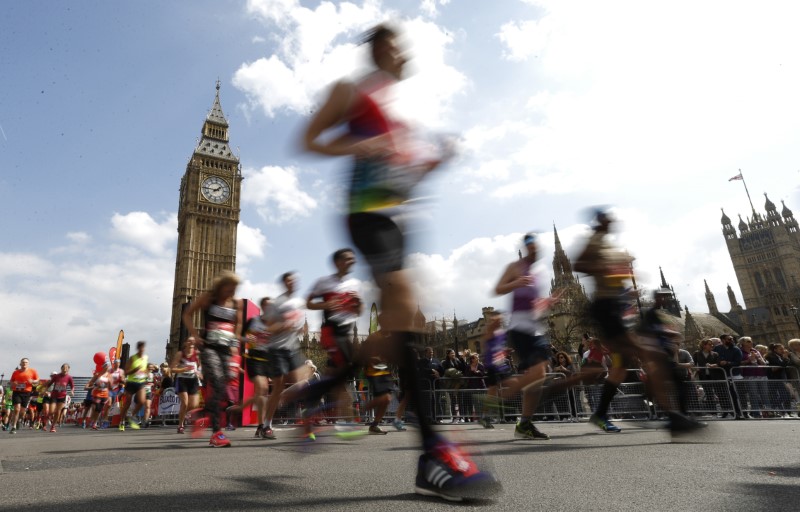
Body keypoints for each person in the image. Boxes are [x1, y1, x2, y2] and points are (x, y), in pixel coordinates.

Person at [302, 23, 499, 501]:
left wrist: (434, 162)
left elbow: (401, 183)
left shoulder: (398, 118)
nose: (403, 53)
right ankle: (434, 452)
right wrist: (355, 145)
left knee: (404, 327)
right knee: (407, 310)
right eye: (395, 45)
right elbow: (310, 140)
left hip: (394, 220)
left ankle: (324, 389)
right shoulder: (351, 91)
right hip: (365, 216)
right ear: (379, 50)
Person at [573, 209, 704, 434]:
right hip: (605, 308)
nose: (612, 221)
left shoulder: (606, 244)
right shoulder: (594, 240)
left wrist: (624, 287)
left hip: (612, 307)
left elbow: (611, 277)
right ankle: (674, 416)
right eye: (607, 218)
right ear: (600, 221)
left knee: (620, 368)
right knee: (650, 355)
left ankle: (601, 413)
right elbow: (579, 265)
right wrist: (607, 269)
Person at [491, 232, 559, 440]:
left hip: (535, 327)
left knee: (538, 378)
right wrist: (516, 282)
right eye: (531, 246)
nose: (535, 249)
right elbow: (498, 289)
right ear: (526, 247)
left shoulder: (539, 272)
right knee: (539, 372)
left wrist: (546, 302)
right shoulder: (515, 267)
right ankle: (501, 395)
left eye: (537, 247)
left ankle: (524, 424)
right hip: (519, 326)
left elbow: (534, 304)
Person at [182, 270, 242, 448]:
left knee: (221, 389)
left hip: (225, 350)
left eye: (235, 288)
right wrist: (195, 335)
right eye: (229, 288)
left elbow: (238, 324)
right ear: (221, 286)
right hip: (209, 347)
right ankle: (216, 433)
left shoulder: (236, 303)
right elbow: (187, 314)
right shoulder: (208, 298)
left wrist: (234, 341)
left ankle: (201, 414)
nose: (232, 292)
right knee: (216, 380)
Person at [305, 248, 363, 429]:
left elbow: (359, 311)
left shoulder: (354, 284)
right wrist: (326, 304)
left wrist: (359, 303)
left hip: (345, 332)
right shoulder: (324, 282)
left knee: (338, 374)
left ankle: (311, 401)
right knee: (343, 370)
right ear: (338, 262)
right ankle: (314, 403)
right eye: (348, 259)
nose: (352, 262)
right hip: (331, 331)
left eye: (353, 259)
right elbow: (308, 302)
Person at [260, 271, 306, 440]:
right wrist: (283, 325)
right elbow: (268, 328)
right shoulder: (276, 303)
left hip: (292, 348)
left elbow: (298, 327)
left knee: (303, 382)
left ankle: (304, 421)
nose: (292, 283)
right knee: (278, 386)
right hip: (277, 349)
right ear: (284, 283)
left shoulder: (298, 303)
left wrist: (299, 329)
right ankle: (267, 425)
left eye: (294, 280)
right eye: (289, 281)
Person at [241, 296, 272, 438]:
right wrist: (247, 338)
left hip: (267, 360)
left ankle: (261, 425)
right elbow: (239, 335)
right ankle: (263, 426)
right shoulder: (253, 321)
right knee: (261, 388)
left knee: (263, 393)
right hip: (254, 358)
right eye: (267, 305)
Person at [171, 338, 201, 434]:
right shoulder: (180, 354)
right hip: (182, 380)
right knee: (185, 403)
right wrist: (183, 369)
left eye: (193, 341)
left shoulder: (197, 354)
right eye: (189, 340)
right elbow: (172, 369)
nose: (192, 342)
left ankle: (184, 414)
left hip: (193, 380)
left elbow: (199, 367)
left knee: (194, 405)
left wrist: (199, 372)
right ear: (186, 343)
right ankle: (180, 425)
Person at [118, 341, 149, 431]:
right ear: (138, 349)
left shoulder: (145, 358)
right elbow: (126, 372)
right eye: (140, 348)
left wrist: (148, 371)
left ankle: (131, 415)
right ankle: (122, 421)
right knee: (127, 402)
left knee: (142, 401)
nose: (142, 350)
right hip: (131, 382)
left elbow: (145, 370)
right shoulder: (132, 358)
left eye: (143, 348)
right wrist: (134, 370)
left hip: (141, 382)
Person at [8, 358, 39, 434]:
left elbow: (38, 380)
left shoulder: (33, 371)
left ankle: (18, 420)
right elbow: (11, 382)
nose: (24, 363)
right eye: (23, 362)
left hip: (26, 393)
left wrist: (33, 381)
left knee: (22, 412)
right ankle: (14, 427)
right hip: (17, 392)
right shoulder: (15, 372)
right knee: (16, 409)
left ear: (28, 364)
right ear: (20, 364)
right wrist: (14, 383)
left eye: (26, 362)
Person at [47, 365, 74, 432]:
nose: (65, 369)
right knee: (51, 411)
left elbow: (72, 386)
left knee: (58, 411)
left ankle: (53, 426)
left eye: (66, 368)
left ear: (68, 369)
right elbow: (50, 383)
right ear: (61, 368)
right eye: (63, 368)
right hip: (54, 395)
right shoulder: (56, 376)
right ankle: (49, 418)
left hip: (62, 396)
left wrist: (72, 391)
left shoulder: (69, 377)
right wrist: (46, 390)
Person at [85, 364, 111, 430]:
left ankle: (94, 423)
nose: (107, 367)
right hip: (97, 393)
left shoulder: (109, 375)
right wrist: (93, 385)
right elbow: (90, 382)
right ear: (103, 367)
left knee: (99, 410)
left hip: (105, 394)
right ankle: (93, 422)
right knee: (96, 406)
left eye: (108, 366)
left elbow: (110, 386)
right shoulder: (97, 374)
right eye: (106, 366)